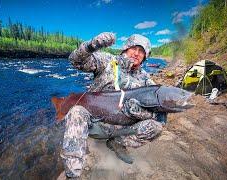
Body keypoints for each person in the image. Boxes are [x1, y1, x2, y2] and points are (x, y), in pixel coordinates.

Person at [60, 32, 163, 178]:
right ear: (126, 49)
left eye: (142, 51)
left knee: (157, 126)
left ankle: (117, 143)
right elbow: (75, 61)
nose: (137, 53)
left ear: (145, 57)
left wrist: (141, 112)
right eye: (134, 48)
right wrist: (91, 45)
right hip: (96, 124)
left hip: (123, 128)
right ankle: (72, 174)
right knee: (76, 111)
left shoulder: (146, 79)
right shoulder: (108, 60)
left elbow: (156, 105)